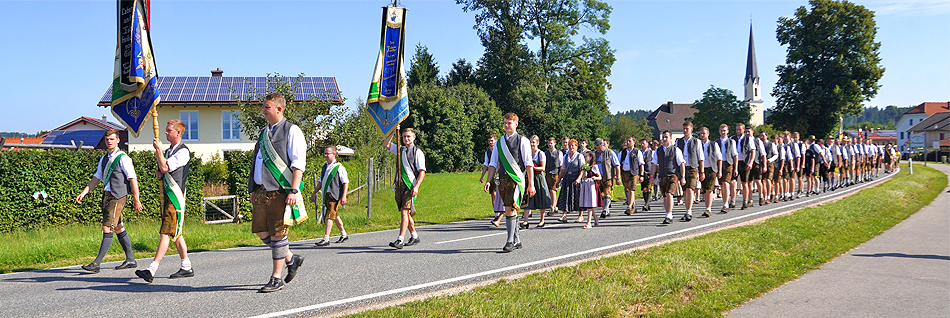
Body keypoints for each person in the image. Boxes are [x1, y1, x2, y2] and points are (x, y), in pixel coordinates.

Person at [248, 93, 306, 293]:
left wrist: (294, 190)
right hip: (262, 191)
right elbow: (255, 161)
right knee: (260, 230)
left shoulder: (292, 130)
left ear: (279, 109)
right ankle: (291, 258)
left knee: (278, 234)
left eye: (267, 107)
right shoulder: (264, 132)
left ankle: (276, 278)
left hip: (281, 191)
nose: (263, 109)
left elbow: (298, 164)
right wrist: (252, 188)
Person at [75, 129, 143, 273]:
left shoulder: (123, 158)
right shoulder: (104, 158)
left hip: (118, 196)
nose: (109, 142)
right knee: (119, 227)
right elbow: (97, 178)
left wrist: (136, 200)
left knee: (107, 228)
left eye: (112, 139)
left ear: (118, 140)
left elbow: (133, 179)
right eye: (107, 139)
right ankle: (130, 259)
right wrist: (84, 192)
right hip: (107, 195)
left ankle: (96, 264)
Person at [134, 120, 194, 283]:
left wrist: (159, 151)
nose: (166, 133)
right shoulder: (169, 151)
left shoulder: (183, 152)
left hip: (176, 198)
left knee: (166, 232)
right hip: (169, 195)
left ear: (178, 133)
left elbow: (166, 167)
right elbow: (163, 170)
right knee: (176, 233)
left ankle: (152, 269)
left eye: (168, 131)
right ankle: (186, 266)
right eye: (166, 130)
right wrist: (160, 171)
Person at [483, 113, 535, 253]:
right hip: (502, 181)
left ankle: (510, 241)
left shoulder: (522, 140)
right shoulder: (499, 143)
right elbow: (493, 164)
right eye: (505, 123)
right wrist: (488, 181)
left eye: (509, 123)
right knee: (510, 208)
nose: (506, 125)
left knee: (509, 208)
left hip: (517, 180)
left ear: (516, 124)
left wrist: (531, 184)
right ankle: (517, 240)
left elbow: (528, 164)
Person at [383, 126, 426, 249]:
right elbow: (386, 144)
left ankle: (400, 239)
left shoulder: (418, 152)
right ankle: (414, 236)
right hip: (399, 185)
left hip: (410, 185)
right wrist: (393, 131)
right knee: (405, 212)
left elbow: (422, 171)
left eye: (408, 136)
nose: (406, 139)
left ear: (414, 137)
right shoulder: (399, 150)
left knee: (404, 211)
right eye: (404, 136)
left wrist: (416, 186)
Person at [311, 146, 350, 247]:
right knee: (334, 215)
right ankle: (343, 234)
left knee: (329, 216)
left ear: (334, 154)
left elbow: (345, 182)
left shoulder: (339, 167)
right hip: (326, 195)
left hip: (335, 195)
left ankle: (326, 238)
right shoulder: (325, 167)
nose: (325, 155)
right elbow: (320, 181)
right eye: (325, 153)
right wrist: (314, 193)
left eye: (327, 153)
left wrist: (344, 196)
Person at [651, 130, 686, 224]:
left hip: (673, 175)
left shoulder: (676, 150)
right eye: (663, 137)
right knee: (665, 196)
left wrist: (683, 177)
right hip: (662, 176)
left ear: (671, 138)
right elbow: (654, 164)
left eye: (666, 137)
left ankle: (669, 214)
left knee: (670, 194)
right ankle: (668, 213)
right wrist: (652, 176)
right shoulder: (658, 151)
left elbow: (681, 163)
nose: (664, 139)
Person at [675, 122, 704, 221]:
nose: (685, 130)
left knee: (690, 189)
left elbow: (701, 157)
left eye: (687, 128)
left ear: (691, 129)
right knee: (684, 191)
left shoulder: (697, 141)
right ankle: (687, 210)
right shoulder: (678, 142)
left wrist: (702, 171)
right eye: (683, 128)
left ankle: (689, 211)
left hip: (693, 167)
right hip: (682, 168)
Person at [522, 135, 551, 228]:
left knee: (541, 198)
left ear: (537, 143)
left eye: (533, 142)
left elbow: (543, 168)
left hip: (539, 178)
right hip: (529, 177)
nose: (532, 144)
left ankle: (542, 220)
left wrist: (533, 167)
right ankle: (525, 221)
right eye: (530, 142)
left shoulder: (541, 154)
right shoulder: (527, 153)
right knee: (527, 198)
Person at [557, 139, 584, 222]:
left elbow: (582, 169)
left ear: (576, 147)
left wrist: (579, 178)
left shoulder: (579, 156)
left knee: (578, 196)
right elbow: (563, 169)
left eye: (573, 145)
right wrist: (558, 180)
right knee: (565, 196)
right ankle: (564, 215)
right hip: (567, 178)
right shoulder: (566, 156)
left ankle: (581, 216)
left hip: (576, 177)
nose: (571, 147)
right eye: (570, 145)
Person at [593, 138, 620, 219]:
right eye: (596, 148)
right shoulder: (595, 154)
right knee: (601, 194)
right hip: (598, 177)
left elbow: (617, 165)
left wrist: (618, 177)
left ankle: (605, 210)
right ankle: (607, 210)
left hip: (608, 176)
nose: (598, 149)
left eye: (599, 148)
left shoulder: (610, 153)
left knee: (607, 192)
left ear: (603, 145)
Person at [479, 135, 502, 227]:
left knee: (499, 194)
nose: (490, 142)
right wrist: (482, 177)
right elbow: (486, 165)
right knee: (493, 194)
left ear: (496, 141)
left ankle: (503, 212)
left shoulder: (500, 150)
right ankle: (496, 213)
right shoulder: (487, 152)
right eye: (489, 141)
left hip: (500, 174)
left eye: (492, 140)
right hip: (492, 175)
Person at [699, 127, 721, 218]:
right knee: (704, 190)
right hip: (701, 169)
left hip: (711, 169)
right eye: (701, 133)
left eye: (704, 133)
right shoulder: (698, 144)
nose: (702, 135)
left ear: (708, 134)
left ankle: (708, 208)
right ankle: (707, 206)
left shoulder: (714, 144)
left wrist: (719, 171)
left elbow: (719, 158)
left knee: (709, 189)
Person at [619, 136, 643, 215]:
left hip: (634, 173)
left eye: (630, 141)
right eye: (627, 141)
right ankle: (633, 206)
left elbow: (641, 164)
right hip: (625, 173)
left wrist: (641, 175)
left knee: (632, 189)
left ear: (634, 142)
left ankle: (629, 206)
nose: (628, 142)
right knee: (627, 190)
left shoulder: (637, 152)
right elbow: (618, 164)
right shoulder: (622, 152)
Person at [734, 124, 756, 209]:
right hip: (735, 162)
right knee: (733, 182)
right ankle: (732, 201)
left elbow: (753, 151)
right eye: (737, 129)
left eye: (740, 129)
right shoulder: (733, 139)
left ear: (743, 130)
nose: (738, 131)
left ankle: (745, 201)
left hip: (745, 162)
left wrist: (750, 162)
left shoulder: (748, 139)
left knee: (745, 182)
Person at [717, 124, 738, 213]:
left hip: (729, 163)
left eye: (724, 131)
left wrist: (735, 168)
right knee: (722, 185)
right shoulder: (716, 142)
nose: (723, 132)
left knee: (726, 183)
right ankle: (726, 200)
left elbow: (735, 155)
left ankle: (726, 204)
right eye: (721, 130)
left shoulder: (731, 141)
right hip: (720, 164)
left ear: (727, 131)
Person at [578, 151, 602, 229]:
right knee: (588, 204)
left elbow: (600, 177)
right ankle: (596, 219)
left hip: (591, 185)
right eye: (584, 157)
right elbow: (583, 176)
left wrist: (595, 178)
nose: (585, 158)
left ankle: (589, 222)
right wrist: (584, 175)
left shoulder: (594, 166)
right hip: (585, 184)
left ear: (591, 157)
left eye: (586, 157)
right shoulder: (585, 166)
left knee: (590, 204)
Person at [544, 137, 562, 217]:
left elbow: (561, 165)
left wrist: (561, 176)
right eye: (549, 143)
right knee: (549, 190)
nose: (550, 144)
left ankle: (553, 206)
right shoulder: (546, 153)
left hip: (555, 174)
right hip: (548, 174)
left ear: (555, 143)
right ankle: (553, 204)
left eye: (551, 143)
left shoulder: (559, 153)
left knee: (553, 190)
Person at [639, 139, 654, 212]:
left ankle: (646, 204)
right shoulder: (639, 152)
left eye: (644, 143)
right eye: (641, 143)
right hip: (642, 173)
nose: (642, 145)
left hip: (649, 172)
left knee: (649, 188)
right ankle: (647, 203)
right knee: (644, 189)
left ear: (647, 144)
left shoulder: (652, 152)